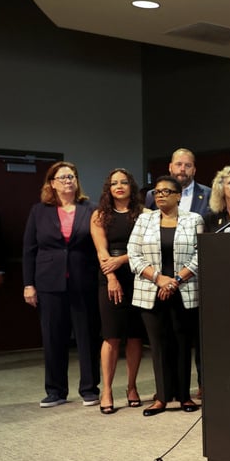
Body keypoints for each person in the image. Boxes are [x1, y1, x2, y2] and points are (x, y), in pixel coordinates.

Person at [22, 161, 101, 407]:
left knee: (87, 337)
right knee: (53, 337)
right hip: (48, 283)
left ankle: (89, 388)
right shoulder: (39, 211)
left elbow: (98, 247)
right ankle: (55, 390)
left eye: (72, 176)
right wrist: (28, 284)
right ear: (52, 183)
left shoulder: (91, 209)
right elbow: (29, 250)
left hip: (83, 281)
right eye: (62, 177)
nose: (68, 181)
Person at [128, 175, 204, 416]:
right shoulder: (144, 219)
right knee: (159, 345)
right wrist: (159, 279)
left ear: (178, 195)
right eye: (157, 192)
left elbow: (200, 254)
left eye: (166, 192)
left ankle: (183, 396)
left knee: (183, 344)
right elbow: (134, 253)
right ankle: (161, 397)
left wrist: (176, 280)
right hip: (151, 289)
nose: (159, 195)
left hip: (184, 289)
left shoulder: (194, 220)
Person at [89, 168, 147, 414]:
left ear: (131, 186)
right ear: (109, 188)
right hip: (109, 277)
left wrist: (122, 260)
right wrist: (111, 276)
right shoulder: (100, 215)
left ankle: (132, 387)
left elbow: (146, 248)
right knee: (111, 335)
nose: (119, 186)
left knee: (135, 335)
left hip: (138, 275)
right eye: (114, 183)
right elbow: (102, 251)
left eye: (124, 182)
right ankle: (107, 390)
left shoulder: (144, 214)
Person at [145, 148, 212, 214]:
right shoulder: (153, 195)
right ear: (170, 167)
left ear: (194, 170)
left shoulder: (208, 194)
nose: (183, 169)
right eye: (179, 164)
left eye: (188, 165)